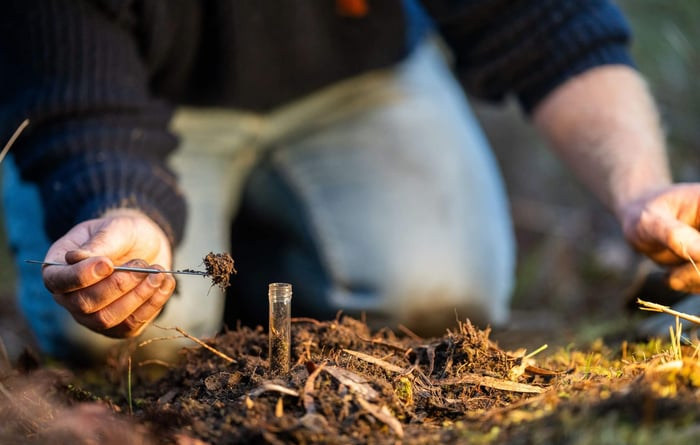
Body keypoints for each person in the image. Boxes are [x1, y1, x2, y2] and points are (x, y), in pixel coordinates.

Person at [0, 0, 697, 362]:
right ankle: (217, 272)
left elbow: (550, 23)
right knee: (128, 337)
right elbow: (82, 107)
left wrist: (638, 189)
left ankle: (257, 265)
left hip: (354, 81)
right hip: (144, 102)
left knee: (440, 294)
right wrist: (123, 212)